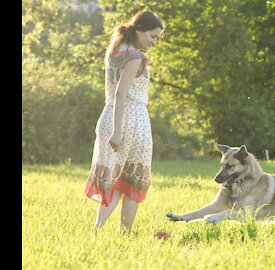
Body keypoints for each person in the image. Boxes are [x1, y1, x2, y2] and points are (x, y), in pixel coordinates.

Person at [84, 10, 164, 234]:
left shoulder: (115, 50)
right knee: (131, 179)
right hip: (131, 120)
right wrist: (117, 132)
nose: (154, 42)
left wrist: (114, 129)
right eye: (153, 36)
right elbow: (121, 94)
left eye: (158, 38)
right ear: (139, 30)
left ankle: (99, 227)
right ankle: (123, 233)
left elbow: (114, 95)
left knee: (115, 176)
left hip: (109, 115)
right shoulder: (135, 56)